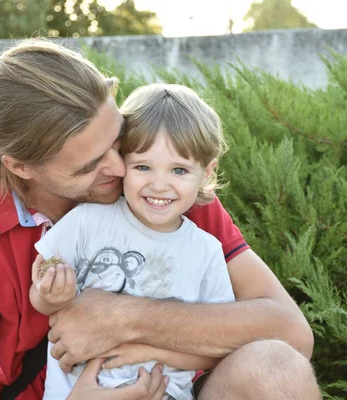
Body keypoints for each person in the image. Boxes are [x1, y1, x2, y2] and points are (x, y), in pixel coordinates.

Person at [0, 38, 320, 399]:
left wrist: (123, 318)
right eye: (89, 166)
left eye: (118, 142)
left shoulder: (163, 187)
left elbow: (291, 332)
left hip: (169, 387)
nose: (122, 170)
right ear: (22, 167)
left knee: (277, 369)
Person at [31, 83, 236, 400]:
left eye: (179, 170)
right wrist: (51, 295)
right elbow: (41, 292)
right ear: (121, 160)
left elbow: (214, 350)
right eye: (143, 166)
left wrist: (143, 349)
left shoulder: (206, 251)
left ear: (207, 173)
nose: (159, 184)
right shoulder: (88, 220)